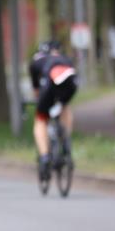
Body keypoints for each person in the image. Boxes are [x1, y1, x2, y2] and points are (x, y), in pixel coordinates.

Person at [29, 39, 78, 180]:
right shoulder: (65, 59)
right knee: (64, 107)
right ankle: (66, 140)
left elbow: (36, 90)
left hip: (49, 86)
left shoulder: (37, 61)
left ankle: (44, 156)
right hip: (70, 83)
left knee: (41, 119)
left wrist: (40, 102)